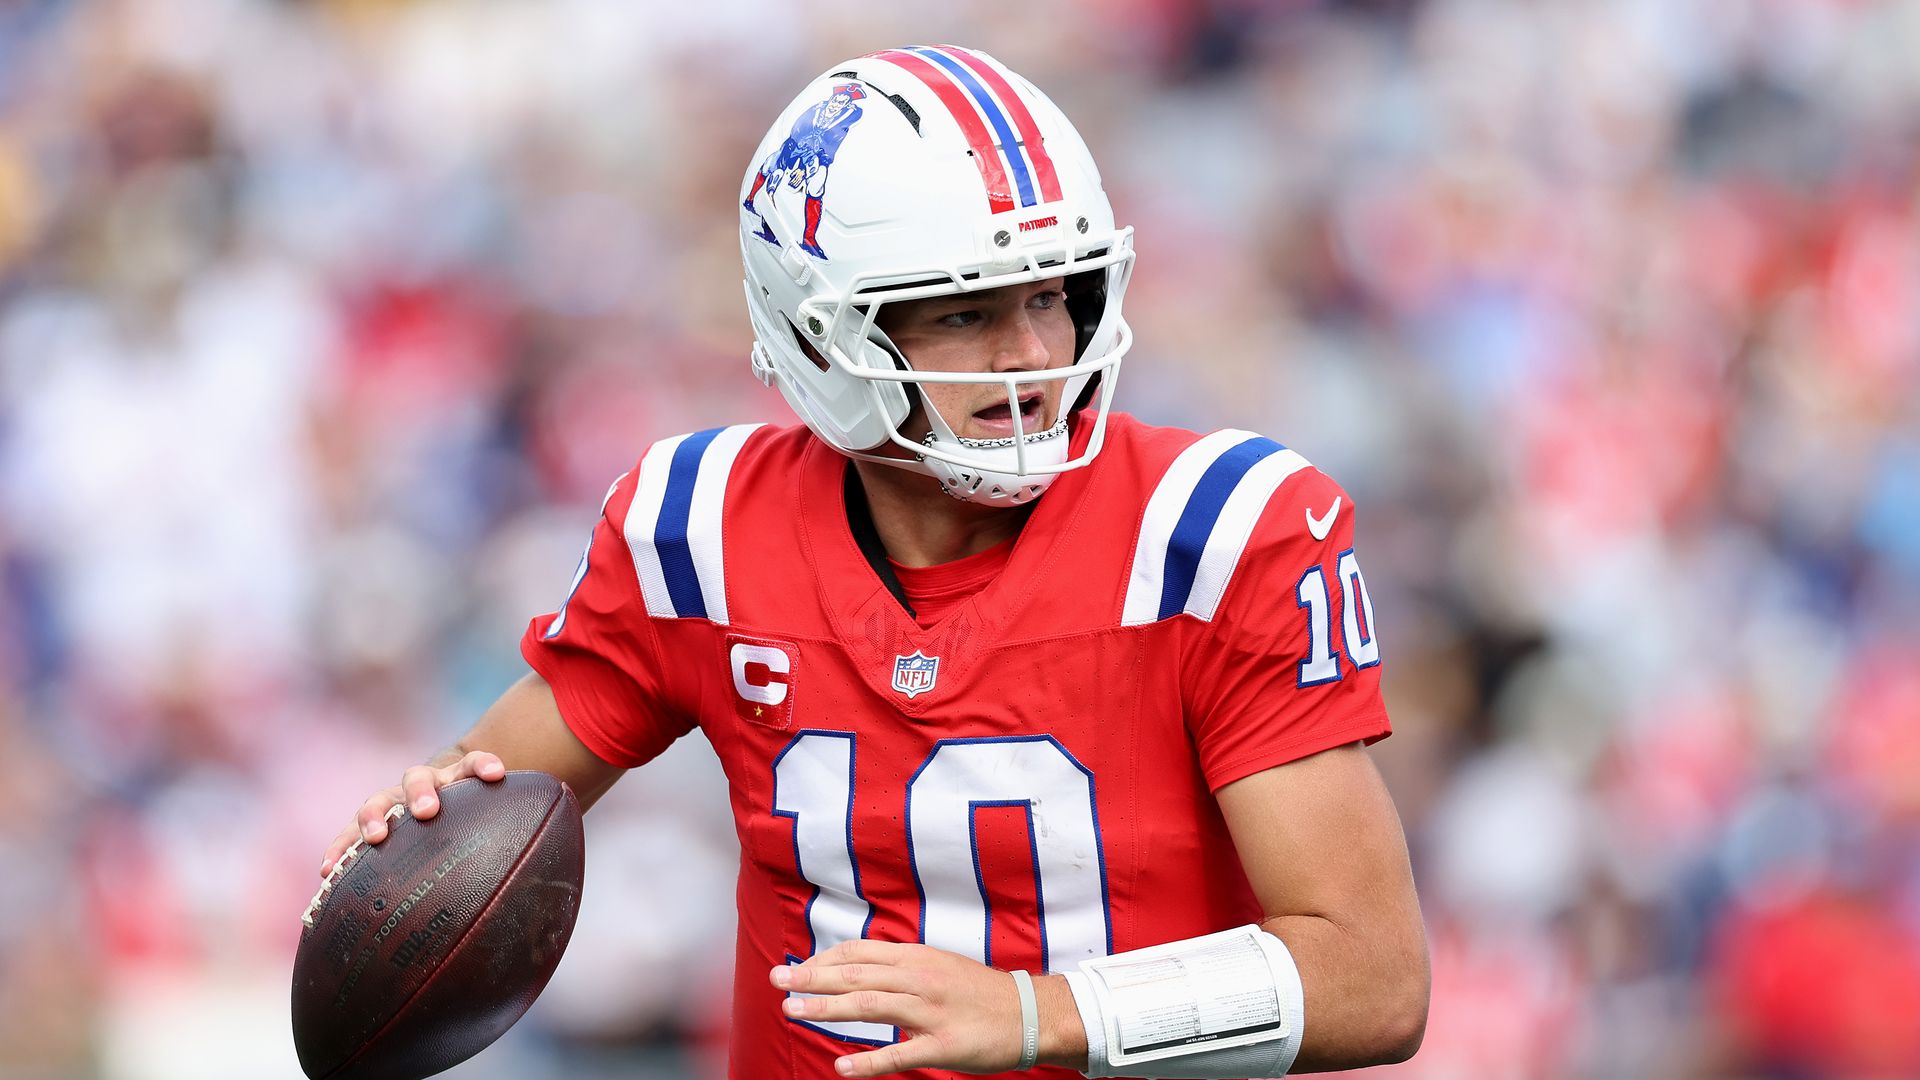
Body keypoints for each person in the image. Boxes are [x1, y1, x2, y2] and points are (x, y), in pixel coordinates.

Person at [320, 44, 1428, 1079]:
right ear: (819, 335)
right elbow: (487, 800)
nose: (1033, 354)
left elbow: (1374, 978)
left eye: (1051, 294)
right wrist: (417, 831)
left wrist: (1043, 1012)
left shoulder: (1214, 532)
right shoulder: (700, 528)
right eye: (965, 312)